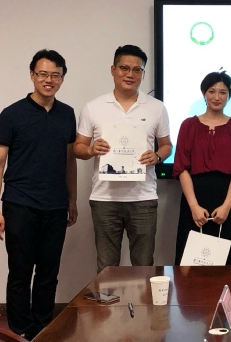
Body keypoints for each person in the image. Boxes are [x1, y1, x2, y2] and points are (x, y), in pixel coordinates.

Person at [0, 49, 77, 340]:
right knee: (20, 272)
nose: (48, 80)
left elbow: (70, 160)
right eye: (43, 74)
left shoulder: (67, 114)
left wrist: (72, 200)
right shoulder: (12, 114)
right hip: (20, 204)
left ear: (62, 79)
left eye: (55, 75)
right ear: (32, 75)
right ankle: (19, 331)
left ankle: (42, 329)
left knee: (48, 273)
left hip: (55, 205)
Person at [73, 45, 172, 272]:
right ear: (113, 69)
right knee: (106, 267)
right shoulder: (93, 107)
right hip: (105, 199)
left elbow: (167, 145)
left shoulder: (157, 108)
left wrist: (157, 156)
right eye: (124, 68)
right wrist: (92, 150)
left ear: (143, 74)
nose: (130, 74)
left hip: (143, 197)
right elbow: (78, 148)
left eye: (137, 70)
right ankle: (108, 298)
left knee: (144, 266)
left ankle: (143, 298)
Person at [172, 72, 231, 265]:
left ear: (229, 95)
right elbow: (181, 167)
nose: (217, 97)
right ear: (204, 93)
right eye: (212, 91)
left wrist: (227, 205)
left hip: (226, 198)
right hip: (195, 197)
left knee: (228, 260)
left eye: (223, 92)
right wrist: (194, 206)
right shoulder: (188, 125)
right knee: (191, 260)